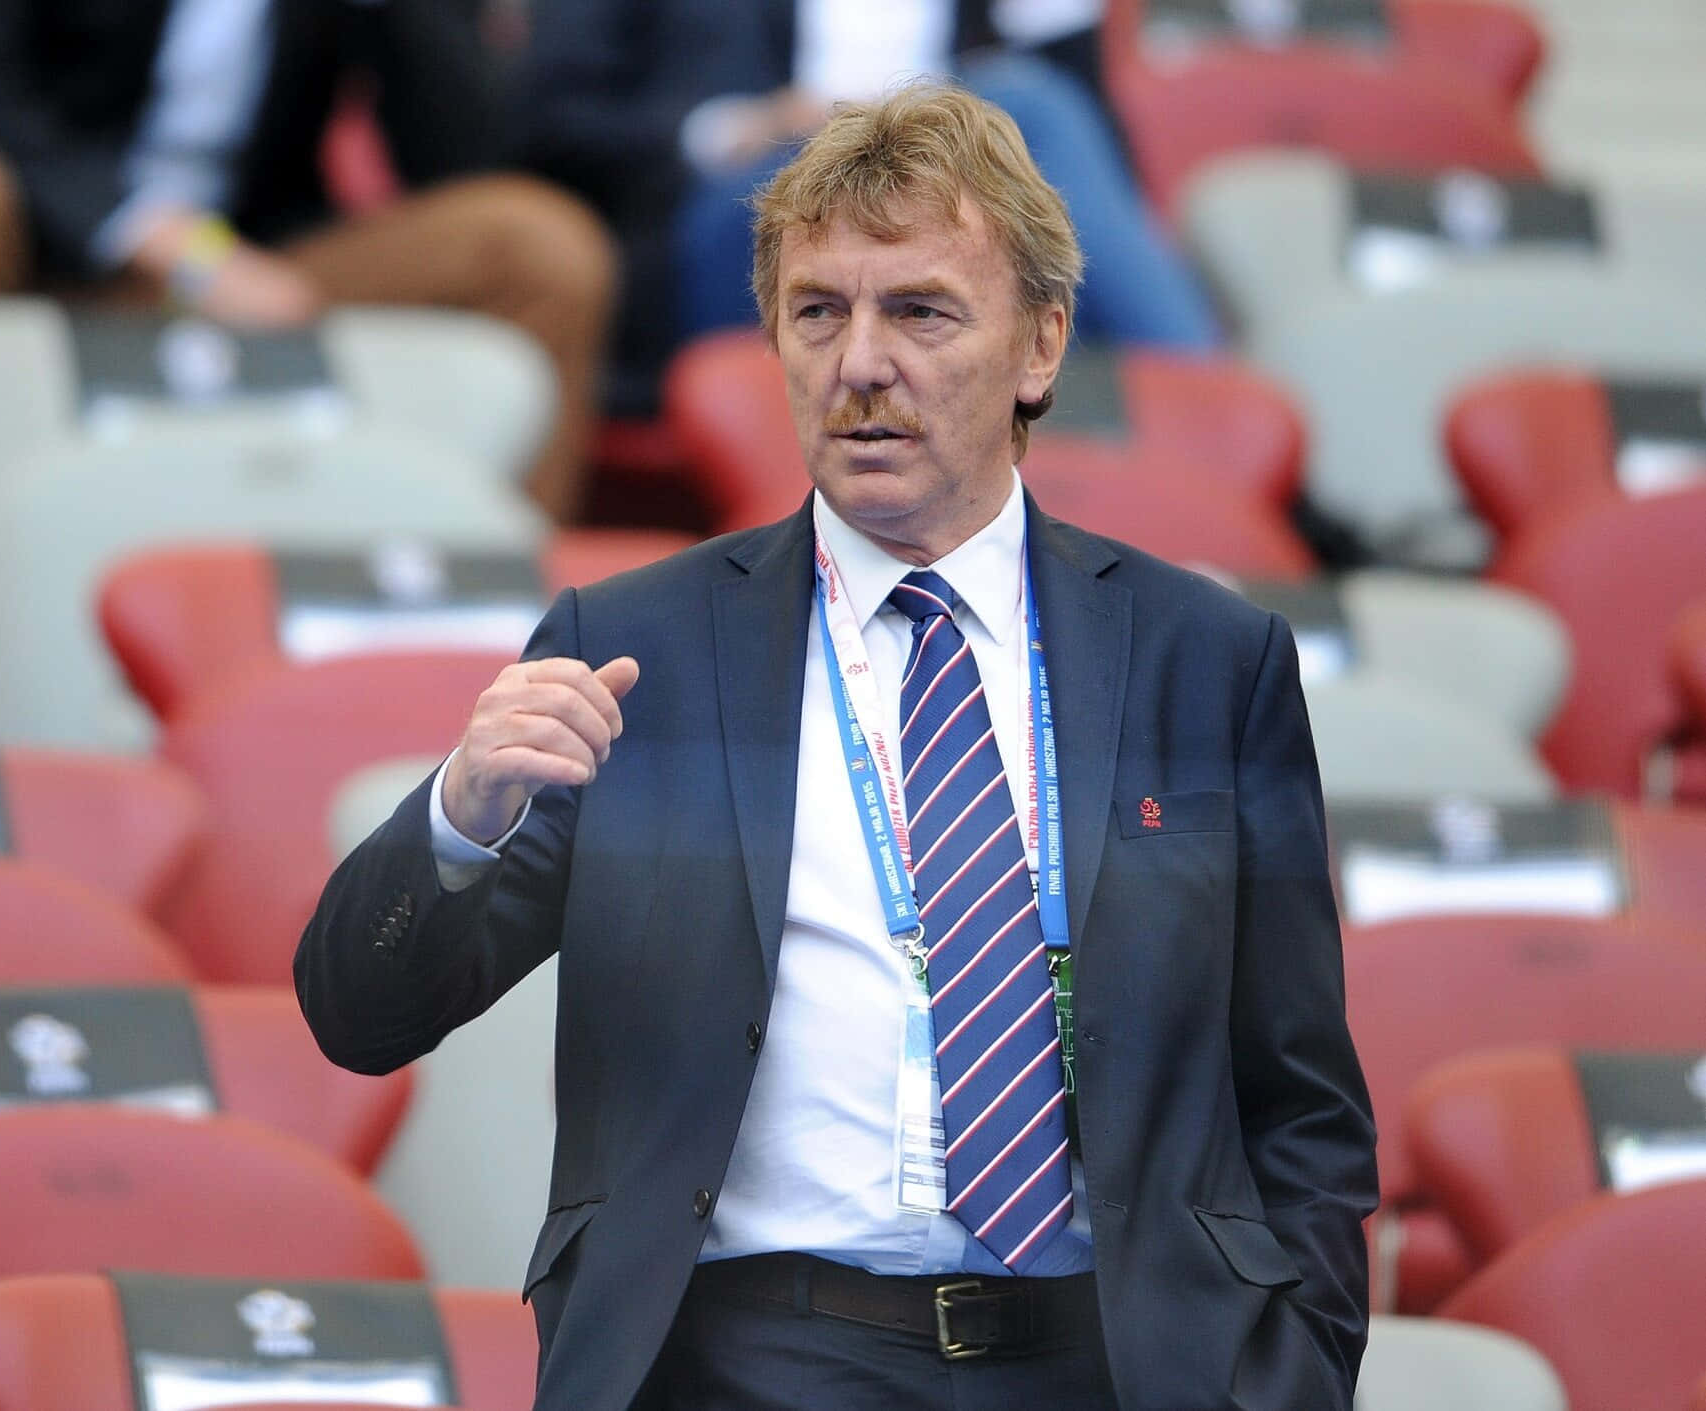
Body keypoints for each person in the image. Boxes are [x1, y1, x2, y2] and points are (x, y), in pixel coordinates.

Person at [297, 83, 1376, 1411]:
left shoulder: (1206, 660)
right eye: (819, 312)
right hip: (746, 1355)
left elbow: (1302, 1100)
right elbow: (360, 1012)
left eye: (919, 310)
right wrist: (460, 813)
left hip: (1120, 1357)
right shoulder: (641, 648)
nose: (860, 361)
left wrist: (1298, 1371)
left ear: (1039, 346)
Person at [0, 0, 614, 520]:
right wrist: (161, 244)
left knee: (538, 246)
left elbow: (459, 155)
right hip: (38, 249)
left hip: (260, 261)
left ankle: (489, 612)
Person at [521, 0, 1221, 404]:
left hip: (941, 184)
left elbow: (1086, 123)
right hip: (750, 190)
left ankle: (1188, 419)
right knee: (1031, 108)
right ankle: (1207, 411)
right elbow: (543, 118)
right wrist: (734, 127)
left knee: (1037, 110)